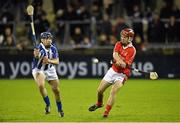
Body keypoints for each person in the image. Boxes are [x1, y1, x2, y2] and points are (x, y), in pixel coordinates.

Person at [88, 28, 136, 117]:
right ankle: (99, 103)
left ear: (130, 38)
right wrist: (119, 61)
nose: (122, 38)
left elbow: (125, 64)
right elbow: (115, 54)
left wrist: (122, 63)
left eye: (124, 37)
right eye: (121, 36)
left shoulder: (132, 50)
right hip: (113, 71)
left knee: (113, 92)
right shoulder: (118, 44)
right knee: (100, 91)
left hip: (122, 75)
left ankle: (106, 112)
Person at [32, 32, 64, 117]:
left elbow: (57, 61)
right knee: (41, 86)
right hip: (39, 69)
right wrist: (36, 55)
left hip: (50, 69)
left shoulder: (53, 48)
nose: (49, 40)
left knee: (56, 90)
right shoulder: (38, 48)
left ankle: (60, 109)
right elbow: (37, 55)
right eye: (46, 39)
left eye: (50, 38)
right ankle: (48, 104)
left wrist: (49, 61)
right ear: (42, 40)